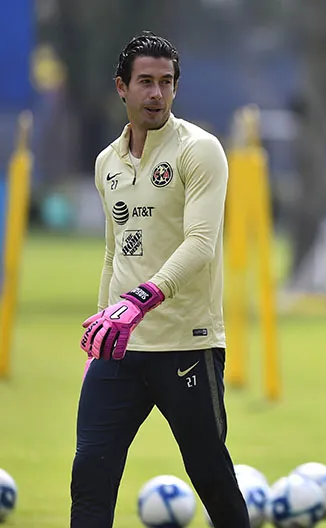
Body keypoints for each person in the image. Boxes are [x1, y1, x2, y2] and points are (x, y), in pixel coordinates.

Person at [71, 31, 249, 527]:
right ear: (121, 88)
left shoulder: (200, 150)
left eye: (166, 82)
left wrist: (141, 299)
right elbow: (114, 253)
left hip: (187, 344)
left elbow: (200, 243)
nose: (156, 93)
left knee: (211, 473)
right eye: (145, 82)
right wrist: (103, 331)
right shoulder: (107, 162)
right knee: (90, 478)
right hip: (121, 349)